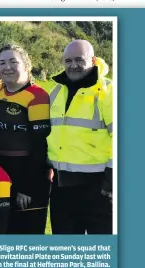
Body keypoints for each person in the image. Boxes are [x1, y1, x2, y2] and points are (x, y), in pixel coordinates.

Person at [45, 40, 113, 235]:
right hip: (62, 185)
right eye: (68, 60)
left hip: (98, 186)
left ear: (92, 60)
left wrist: (112, 178)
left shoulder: (108, 91)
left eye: (79, 60)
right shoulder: (56, 91)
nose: (73, 65)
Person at [0, 43, 51, 234]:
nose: (7, 67)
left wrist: (27, 187)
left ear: (27, 65)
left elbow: (40, 145)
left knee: (25, 236)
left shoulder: (37, 95)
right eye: (2, 62)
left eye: (13, 61)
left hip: (28, 174)